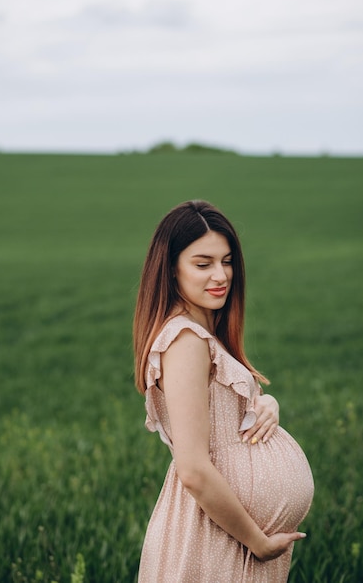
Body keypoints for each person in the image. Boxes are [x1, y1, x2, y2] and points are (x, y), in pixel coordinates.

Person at [133, 200, 314, 583]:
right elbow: (195, 470)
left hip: (227, 538)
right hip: (215, 540)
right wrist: (258, 542)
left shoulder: (206, 337)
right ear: (170, 269)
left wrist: (265, 404)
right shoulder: (185, 339)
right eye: (203, 264)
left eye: (227, 261)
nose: (221, 275)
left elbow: (220, 416)